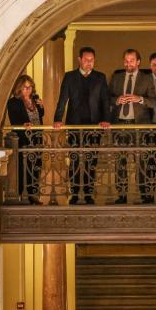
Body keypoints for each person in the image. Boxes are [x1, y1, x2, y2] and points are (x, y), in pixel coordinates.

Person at [53, 47, 111, 204]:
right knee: (75, 160)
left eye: (91, 60)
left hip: (94, 126)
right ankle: (75, 192)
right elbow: (62, 99)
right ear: (79, 59)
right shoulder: (70, 77)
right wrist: (58, 119)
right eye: (86, 60)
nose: (89, 63)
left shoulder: (100, 77)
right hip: (74, 125)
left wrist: (106, 119)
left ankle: (88, 193)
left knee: (91, 161)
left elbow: (105, 101)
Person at [109, 49, 156, 203]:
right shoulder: (116, 78)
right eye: (126, 60)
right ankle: (121, 194)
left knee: (142, 161)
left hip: (140, 126)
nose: (128, 63)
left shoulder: (147, 78)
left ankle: (144, 194)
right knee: (120, 162)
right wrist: (116, 100)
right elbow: (107, 98)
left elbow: (154, 101)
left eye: (131, 60)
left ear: (138, 62)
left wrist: (140, 99)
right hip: (120, 125)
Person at [6, 75, 44, 204]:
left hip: (37, 138)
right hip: (23, 139)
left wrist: (41, 106)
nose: (28, 90)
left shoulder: (35, 99)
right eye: (25, 87)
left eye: (30, 87)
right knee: (24, 167)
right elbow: (14, 119)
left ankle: (34, 194)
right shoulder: (13, 102)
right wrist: (24, 124)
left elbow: (40, 114)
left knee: (36, 166)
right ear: (19, 88)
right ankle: (23, 194)